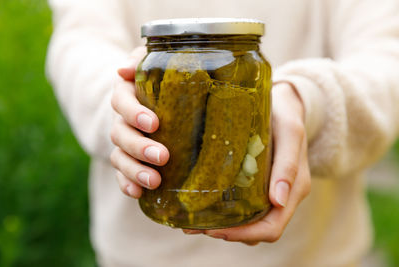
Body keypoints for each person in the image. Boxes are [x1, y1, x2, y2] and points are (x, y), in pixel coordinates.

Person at [46, 0, 399, 266]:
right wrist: (122, 100)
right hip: (143, 256)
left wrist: (311, 99)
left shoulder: (250, 70)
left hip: (313, 253)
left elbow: (387, 58)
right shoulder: (167, 68)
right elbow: (79, 41)